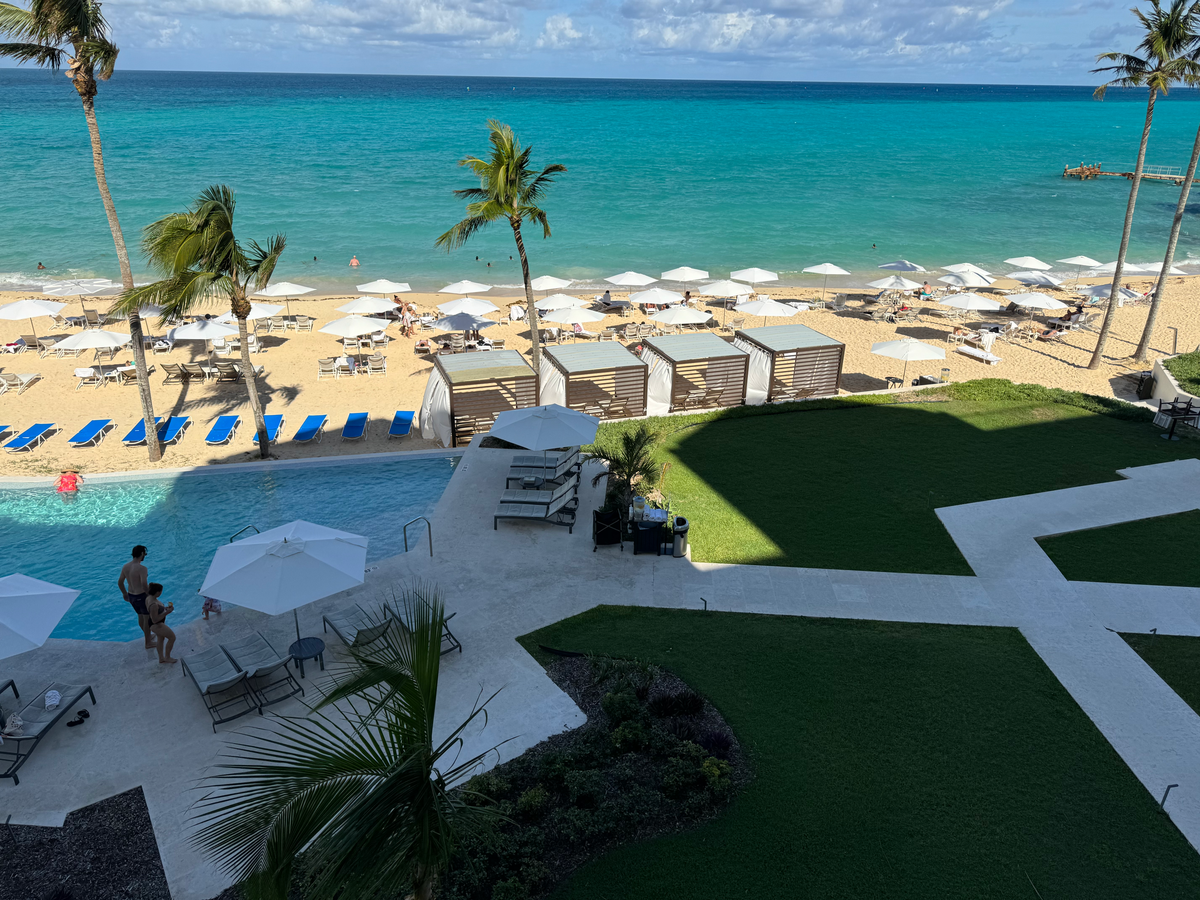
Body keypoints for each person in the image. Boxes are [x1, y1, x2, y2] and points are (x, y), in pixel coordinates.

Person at [118, 545, 155, 649]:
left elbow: (120, 582)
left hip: (131, 596)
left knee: (140, 616)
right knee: (147, 619)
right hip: (141, 596)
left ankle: (148, 636)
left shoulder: (125, 566)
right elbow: (144, 583)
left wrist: (124, 593)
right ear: (142, 554)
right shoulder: (142, 568)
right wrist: (150, 595)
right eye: (145, 554)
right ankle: (148, 643)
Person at [145, 583, 177, 664]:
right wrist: (167, 612)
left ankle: (161, 658)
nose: (161, 593)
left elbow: (156, 611)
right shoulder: (153, 604)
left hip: (157, 623)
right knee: (172, 637)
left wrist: (165, 608)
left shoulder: (149, 598)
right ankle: (167, 657)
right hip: (156, 624)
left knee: (160, 639)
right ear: (157, 592)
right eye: (160, 591)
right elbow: (155, 619)